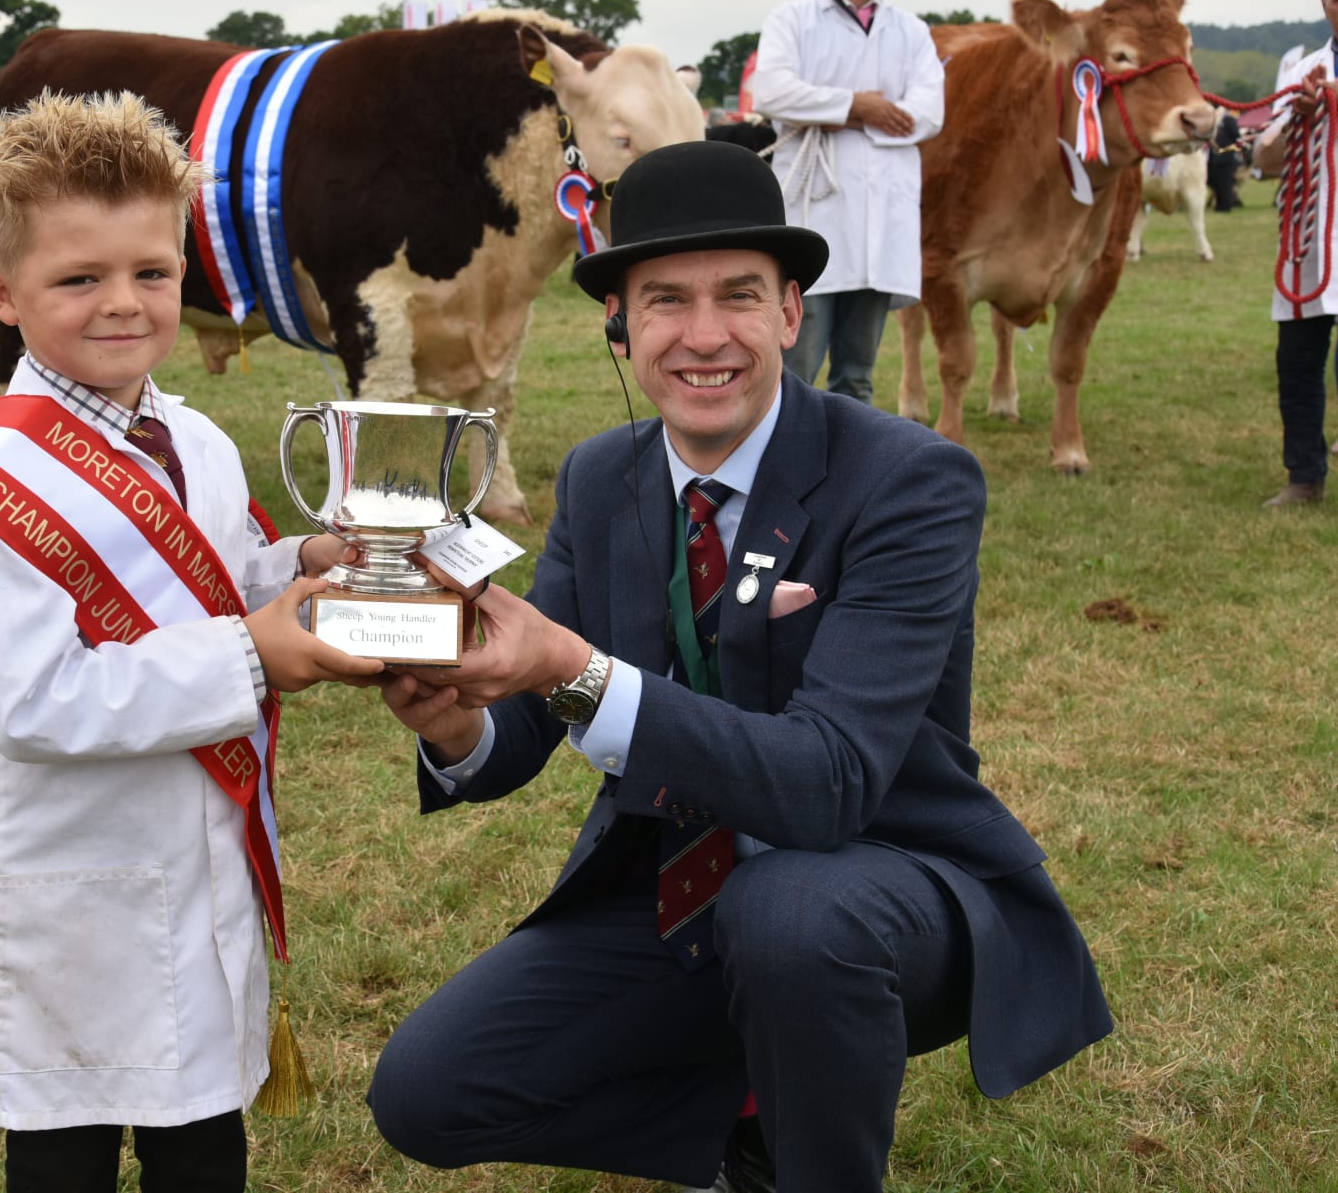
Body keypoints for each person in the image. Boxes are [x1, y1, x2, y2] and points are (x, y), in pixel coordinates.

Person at [363, 141, 1112, 1193]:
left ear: (793, 313)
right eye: (665, 300)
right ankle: (750, 1141)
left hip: (887, 888)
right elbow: (525, 728)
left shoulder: (911, 480)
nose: (704, 336)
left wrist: (574, 667)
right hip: (677, 895)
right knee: (429, 1091)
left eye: (740, 297)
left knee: (790, 914)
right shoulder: (600, 475)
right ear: (619, 325)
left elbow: (828, 780)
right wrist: (455, 720)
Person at [0, 89, 384, 1193]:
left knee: (205, 1130)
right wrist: (255, 655)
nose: (122, 304)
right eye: (79, 279)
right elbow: (36, 700)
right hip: (83, 868)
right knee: (71, 1134)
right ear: (3, 292)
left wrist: (299, 567)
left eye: (152, 274)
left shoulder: (198, 436)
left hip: (196, 838)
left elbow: (216, 579)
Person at [750, 0, 944, 405]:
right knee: (793, 370)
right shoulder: (792, 20)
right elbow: (771, 91)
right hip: (816, 219)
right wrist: (861, 106)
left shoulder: (912, 31)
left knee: (858, 376)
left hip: (882, 229)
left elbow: (928, 114)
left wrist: (830, 114)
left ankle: (850, 475)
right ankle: (778, 469)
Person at [1251, 0, 1338, 506]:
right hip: (1309, 239)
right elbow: (1267, 155)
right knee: (1299, 360)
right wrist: (1296, 122)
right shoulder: (1303, 70)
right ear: (1324, 3)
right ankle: (1304, 475)